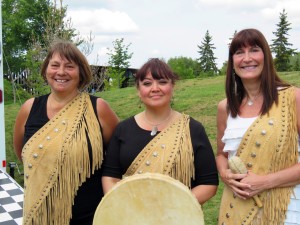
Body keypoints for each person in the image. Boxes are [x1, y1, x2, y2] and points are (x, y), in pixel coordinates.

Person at [13, 40, 119, 225]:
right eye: (55, 65)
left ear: (80, 73)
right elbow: (22, 153)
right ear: (46, 70)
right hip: (40, 215)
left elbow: (117, 156)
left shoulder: (99, 108)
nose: (61, 72)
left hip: (89, 217)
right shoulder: (29, 108)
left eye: (69, 66)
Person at [101, 58, 219, 205]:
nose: (155, 88)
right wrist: (125, 207)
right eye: (147, 83)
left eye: (162, 82)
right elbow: (110, 177)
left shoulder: (193, 129)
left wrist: (170, 209)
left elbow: (209, 183)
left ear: (172, 87)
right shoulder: (123, 130)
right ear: (139, 90)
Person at [216, 28, 300, 225]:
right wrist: (225, 174)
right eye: (239, 52)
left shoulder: (293, 98)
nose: (247, 58)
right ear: (232, 62)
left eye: (254, 50)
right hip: (237, 210)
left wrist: (264, 182)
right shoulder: (225, 108)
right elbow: (221, 155)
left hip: (287, 210)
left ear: (266, 55)